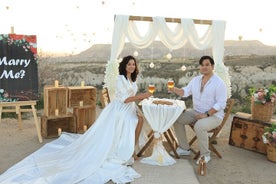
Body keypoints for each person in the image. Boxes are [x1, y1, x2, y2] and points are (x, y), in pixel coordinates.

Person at [0, 55, 152, 184]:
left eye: (133, 64)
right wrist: (143, 96)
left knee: (140, 119)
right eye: (129, 64)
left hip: (129, 107)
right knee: (134, 121)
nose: (131, 66)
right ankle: (130, 151)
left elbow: (131, 99)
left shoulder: (132, 78)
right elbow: (125, 99)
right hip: (120, 109)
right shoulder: (120, 79)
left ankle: (133, 148)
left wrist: (137, 105)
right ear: (124, 66)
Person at [168, 55, 227, 164]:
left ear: (212, 66)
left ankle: (205, 155)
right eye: (202, 65)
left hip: (214, 116)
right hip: (197, 112)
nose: (204, 67)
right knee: (176, 118)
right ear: (200, 67)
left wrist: (207, 114)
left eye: (207, 65)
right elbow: (185, 92)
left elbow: (221, 103)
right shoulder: (196, 80)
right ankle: (184, 148)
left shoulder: (219, 83)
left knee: (199, 126)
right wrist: (174, 89)